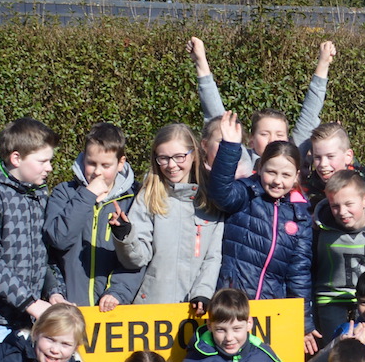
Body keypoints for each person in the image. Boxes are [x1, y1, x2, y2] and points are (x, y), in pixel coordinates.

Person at [0, 117, 59, 352]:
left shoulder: (38, 196)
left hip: (28, 318)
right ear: (16, 158)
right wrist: (29, 302)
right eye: (42, 161)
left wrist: (55, 292)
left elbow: (46, 255)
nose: (49, 168)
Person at [205, 113, 314, 308]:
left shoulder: (301, 216)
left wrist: (303, 320)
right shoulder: (246, 192)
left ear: (296, 176)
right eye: (271, 172)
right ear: (261, 167)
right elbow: (220, 193)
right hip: (231, 305)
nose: (277, 181)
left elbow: (299, 275)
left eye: (286, 175)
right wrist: (229, 148)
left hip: (270, 308)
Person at [113, 122, 223, 309]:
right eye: (163, 158)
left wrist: (203, 293)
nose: (171, 165)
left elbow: (213, 257)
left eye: (179, 157)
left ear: (193, 155)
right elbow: (138, 258)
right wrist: (125, 235)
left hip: (195, 307)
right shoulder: (149, 197)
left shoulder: (211, 200)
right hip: (153, 307)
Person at [44, 122, 142, 312]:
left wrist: (118, 291)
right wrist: (87, 195)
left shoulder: (135, 199)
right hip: (70, 309)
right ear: (83, 158)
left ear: (121, 163)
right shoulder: (64, 193)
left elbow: (139, 258)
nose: (97, 172)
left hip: (114, 310)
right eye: (91, 163)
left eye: (106, 165)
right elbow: (58, 240)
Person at [191, 36, 334, 163]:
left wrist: (323, 63)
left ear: (288, 139)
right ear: (251, 141)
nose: (272, 140)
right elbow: (218, 119)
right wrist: (200, 61)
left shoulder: (294, 156)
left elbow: (310, 114)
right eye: (264, 134)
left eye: (279, 134)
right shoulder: (243, 163)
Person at [310, 169, 365, 348]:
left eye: (349, 204)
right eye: (335, 206)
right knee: (337, 351)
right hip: (330, 300)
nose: (342, 212)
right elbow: (310, 267)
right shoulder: (319, 229)